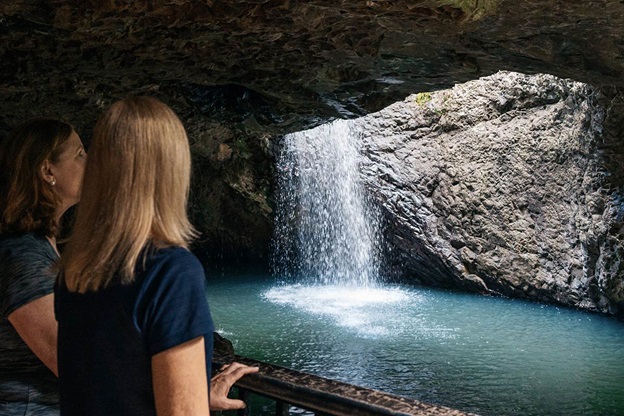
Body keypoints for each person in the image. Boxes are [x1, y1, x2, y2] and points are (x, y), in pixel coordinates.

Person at [55, 96, 258, 416]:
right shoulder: (171, 272)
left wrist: (192, 389)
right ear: (172, 170)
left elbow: (114, 381)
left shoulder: (76, 269)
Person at [0, 118, 87, 415]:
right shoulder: (24, 256)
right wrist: (185, 392)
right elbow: (75, 365)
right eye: (80, 154)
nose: (90, 163)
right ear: (48, 170)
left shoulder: (41, 246)